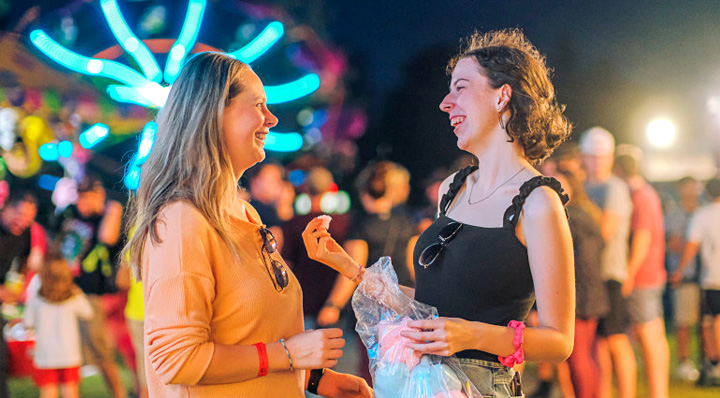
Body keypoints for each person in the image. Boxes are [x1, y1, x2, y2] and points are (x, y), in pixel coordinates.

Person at [303, 29, 575, 397]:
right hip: (420, 382)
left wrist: (470, 334)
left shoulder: (538, 201)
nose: (446, 103)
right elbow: (432, 306)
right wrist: (345, 266)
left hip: (481, 387)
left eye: (460, 87)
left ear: (503, 95)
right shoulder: (453, 188)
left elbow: (559, 341)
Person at [121, 52, 371, 398]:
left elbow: (246, 335)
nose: (270, 119)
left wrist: (315, 378)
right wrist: (288, 354)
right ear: (212, 114)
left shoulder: (244, 214)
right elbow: (177, 359)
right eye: (258, 104)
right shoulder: (182, 220)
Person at [579, 127, 636, 398]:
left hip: (610, 273)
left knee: (615, 339)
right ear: (584, 157)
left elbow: (604, 230)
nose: (599, 161)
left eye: (604, 156)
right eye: (594, 156)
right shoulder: (586, 187)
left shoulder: (614, 187)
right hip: (591, 277)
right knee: (597, 343)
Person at [58, 176, 127, 398]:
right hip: (69, 291)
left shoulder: (104, 218)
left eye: (89, 197)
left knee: (100, 351)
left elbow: (108, 238)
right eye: (81, 196)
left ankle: (118, 393)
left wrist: (112, 210)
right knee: (68, 349)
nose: (83, 202)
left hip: (93, 295)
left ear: (100, 196)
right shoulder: (71, 214)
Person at [613, 146, 669, 398]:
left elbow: (642, 238)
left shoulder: (638, 195)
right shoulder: (647, 192)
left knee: (650, 335)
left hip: (643, 277)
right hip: (650, 273)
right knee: (651, 333)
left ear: (619, 168)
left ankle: (658, 392)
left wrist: (629, 273)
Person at [22, 252, 93, 398]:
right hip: (70, 354)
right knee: (70, 392)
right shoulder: (74, 295)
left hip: (45, 355)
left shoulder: (36, 297)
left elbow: (28, 322)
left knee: (48, 392)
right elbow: (88, 312)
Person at [670, 177, 720, 384]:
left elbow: (692, 245)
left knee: (712, 322)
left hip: (712, 278)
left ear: (707, 193)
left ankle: (715, 365)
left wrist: (679, 270)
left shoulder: (703, 214)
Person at [0, 188, 39, 398]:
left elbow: (23, 260)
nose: (23, 222)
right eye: (20, 215)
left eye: (29, 219)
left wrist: (15, 287)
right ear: (5, 209)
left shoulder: (25, 232)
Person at [665, 176, 703, 381]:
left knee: (706, 323)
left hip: (705, 276)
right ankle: (684, 362)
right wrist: (695, 246)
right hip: (684, 274)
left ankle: (707, 361)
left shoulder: (705, 210)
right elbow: (670, 242)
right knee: (683, 322)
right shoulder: (674, 213)